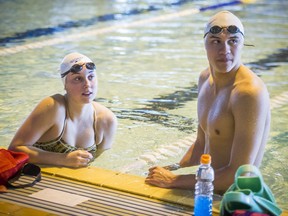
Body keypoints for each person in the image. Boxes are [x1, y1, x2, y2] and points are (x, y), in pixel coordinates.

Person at [145, 11, 270, 194]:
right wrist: (172, 168)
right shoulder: (205, 79)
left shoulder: (248, 93)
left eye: (233, 41)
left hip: (235, 195)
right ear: (204, 44)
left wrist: (173, 180)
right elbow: (202, 142)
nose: (225, 50)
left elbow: (239, 175)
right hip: (205, 185)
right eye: (216, 41)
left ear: (242, 44)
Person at [9, 52, 117, 168]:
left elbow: (101, 165)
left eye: (91, 77)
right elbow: (14, 150)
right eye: (77, 79)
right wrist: (63, 159)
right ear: (65, 84)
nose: (87, 85)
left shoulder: (106, 120)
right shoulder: (53, 107)